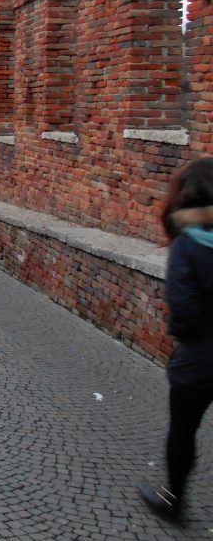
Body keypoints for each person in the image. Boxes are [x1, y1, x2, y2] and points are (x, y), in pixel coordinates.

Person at [139, 158, 213, 522]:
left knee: (184, 431)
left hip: (200, 361)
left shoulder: (188, 245)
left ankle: (174, 501)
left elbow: (183, 312)